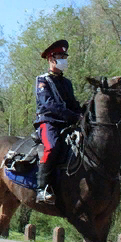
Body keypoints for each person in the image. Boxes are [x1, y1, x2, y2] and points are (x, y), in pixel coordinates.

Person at [34, 39, 84, 205]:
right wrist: (72, 116)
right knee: (52, 146)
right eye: (60, 56)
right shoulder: (42, 80)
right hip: (48, 122)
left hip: (66, 123)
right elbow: (49, 104)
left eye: (65, 55)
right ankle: (42, 189)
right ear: (50, 58)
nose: (64, 59)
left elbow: (73, 104)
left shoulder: (67, 83)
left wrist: (83, 113)